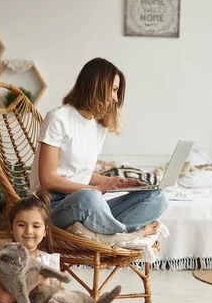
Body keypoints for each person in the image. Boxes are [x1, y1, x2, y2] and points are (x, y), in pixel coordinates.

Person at [29, 57, 168, 236]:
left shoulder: (98, 127)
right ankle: (128, 235)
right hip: (53, 205)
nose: (116, 99)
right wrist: (94, 190)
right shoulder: (58, 118)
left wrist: (119, 183)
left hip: (85, 203)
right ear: (97, 85)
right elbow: (48, 179)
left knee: (157, 197)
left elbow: (80, 174)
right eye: (114, 90)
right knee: (89, 197)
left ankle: (103, 232)